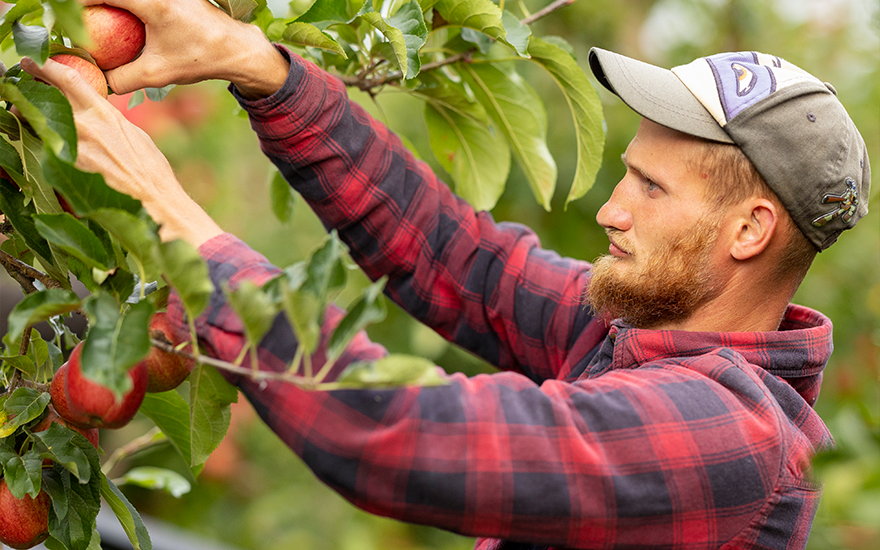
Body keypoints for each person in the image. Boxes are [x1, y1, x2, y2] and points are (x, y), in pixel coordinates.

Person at [21, 0, 871, 548]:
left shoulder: (728, 438)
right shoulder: (639, 332)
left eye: (651, 189)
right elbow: (460, 261)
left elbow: (394, 432)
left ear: (750, 231)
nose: (613, 210)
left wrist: (177, 222)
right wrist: (261, 69)